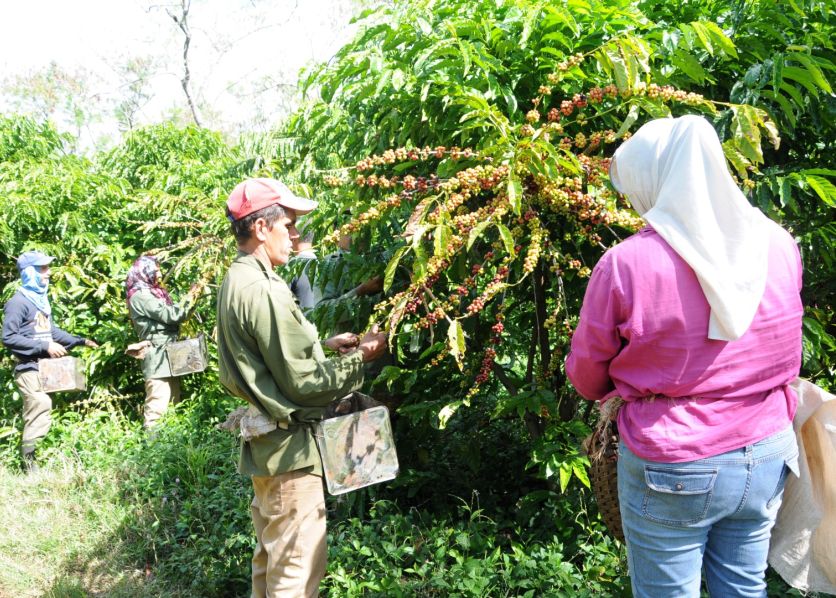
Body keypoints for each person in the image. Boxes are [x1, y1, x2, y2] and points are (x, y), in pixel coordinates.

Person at [566, 115, 803, 597]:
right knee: (743, 588)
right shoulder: (779, 245)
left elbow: (587, 377)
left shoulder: (625, 264)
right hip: (768, 449)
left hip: (676, 461)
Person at [215, 177, 387, 597]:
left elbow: (270, 358)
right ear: (260, 228)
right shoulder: (263, 290)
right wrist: (361, 357)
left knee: (270, 561)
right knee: (296, 570)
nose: (295, 237)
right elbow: (305, 385)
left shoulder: (240, 278)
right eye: (288, 225)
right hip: (289, 454)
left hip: (269, 452)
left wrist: (322, 346)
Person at [2, 250, 98, 472]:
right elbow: (8, 337)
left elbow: (51, 332)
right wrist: (44, 347)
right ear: (30, 273)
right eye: (43, 269)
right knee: (41, 405)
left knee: (43, 411)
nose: (49, 273)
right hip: (28, 369)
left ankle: (36, 459)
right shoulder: (18, 302)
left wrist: (80, 341)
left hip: (43, 368)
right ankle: (29, 465)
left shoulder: (39, 302)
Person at [125, 255, 197, 429]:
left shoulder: (153, 292)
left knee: (174, 403)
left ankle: (171, 452)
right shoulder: (140, 296)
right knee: (158, 406)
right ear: (144, 271)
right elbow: (172, 315)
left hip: (168, 353)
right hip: (157, 355)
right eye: (155, 270)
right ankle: (152, 451)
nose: (159, 273)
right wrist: (190, 297)